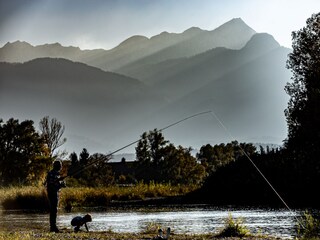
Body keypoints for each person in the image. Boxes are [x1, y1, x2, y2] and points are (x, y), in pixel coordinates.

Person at [45, 160, 66, 233]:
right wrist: (60, 182)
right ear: (57, 166)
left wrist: (62, 183)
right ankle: (53, 227)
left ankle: (53, 227)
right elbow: (51, 184)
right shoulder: (52, 174)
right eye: (60, 165)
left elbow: (59, 184)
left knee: (54, 210)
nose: (61, 167)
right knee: (53, 210)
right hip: (52, 193)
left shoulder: (55, 174)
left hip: (54, 193)